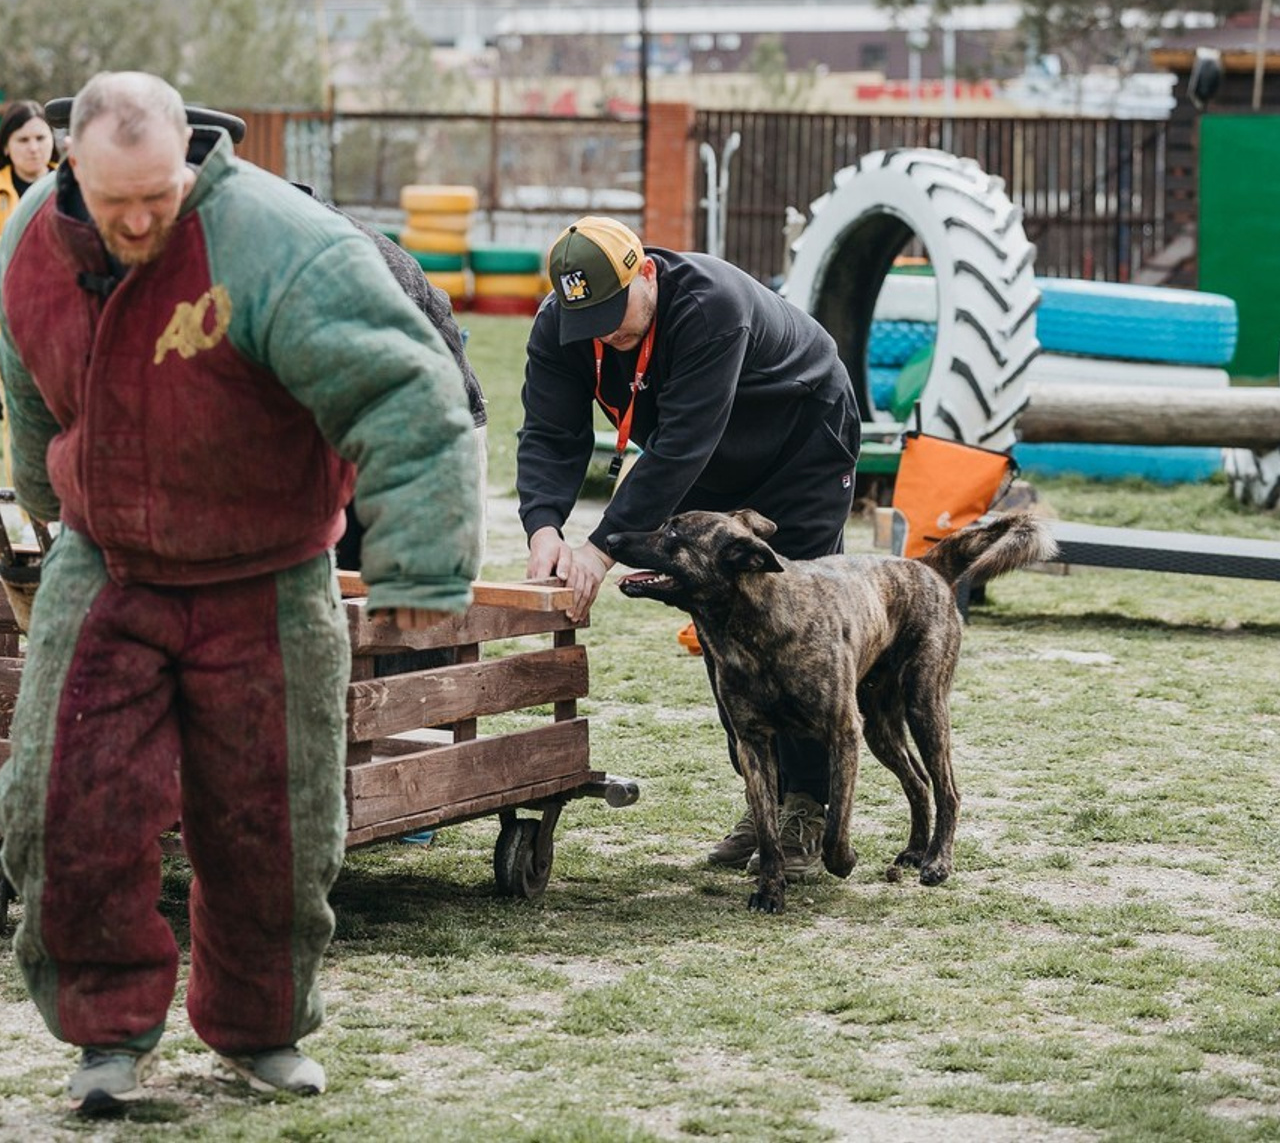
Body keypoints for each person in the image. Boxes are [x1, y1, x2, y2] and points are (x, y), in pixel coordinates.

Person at [0, 72, 482, 1116]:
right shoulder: (31, 235)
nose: (134, 221)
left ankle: (261, 1028)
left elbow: (409, 396)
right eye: (113, 198)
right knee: (61, 800)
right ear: (70, 164)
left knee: (275, 817)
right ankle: (106, 1036)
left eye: (158, 198)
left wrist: (420, 585)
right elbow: (26, 377)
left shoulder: (280, 243)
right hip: (108, 558)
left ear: (191, 162)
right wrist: (44, 490)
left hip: (263, 572)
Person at [516, 215, 860, 881]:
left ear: (645, 272)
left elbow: (679, 445)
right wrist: (544, 527)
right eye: (589, 320)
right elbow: (550, 436)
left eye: (618, 314)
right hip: (712, 464)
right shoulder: (563, 327)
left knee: (795, 623)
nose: (608, 333)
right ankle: (765, 797)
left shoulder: (711, 306)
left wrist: (600, 548)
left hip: (801, 443)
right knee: (720, 615)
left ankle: (806, 808)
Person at [0, 99, 58, 235]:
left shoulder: (74, 182)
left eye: (40, 138)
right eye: (23, 140)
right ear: (6, 147)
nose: (33, 148)